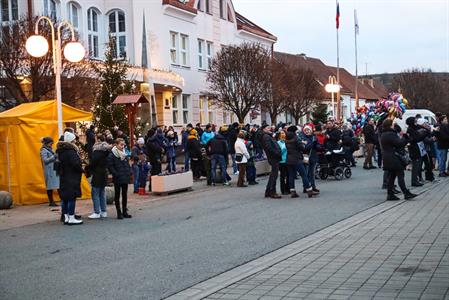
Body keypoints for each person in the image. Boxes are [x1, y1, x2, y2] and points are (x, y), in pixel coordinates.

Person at [381, 119, 417, 200]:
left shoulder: (384, 133)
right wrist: (405, 137)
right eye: (393, 124)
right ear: (390, 125)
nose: (394, 125)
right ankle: (406, 193)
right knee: (400, 174)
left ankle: (390, 194)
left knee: (392, 176)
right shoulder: (390, 134)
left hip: (388, 157)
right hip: (393, 157)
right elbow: (399, 143)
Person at [56, 131, 84, 225]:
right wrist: (82, 169)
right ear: (71, 141)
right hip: (72, 177)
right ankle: (71, 216)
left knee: (65, 198)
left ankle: (66, 215)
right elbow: (75, 164)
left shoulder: (61, 151)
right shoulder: (71, 152)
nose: (75, 142)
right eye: (74, 140)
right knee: (71, 197)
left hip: (64, 176)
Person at [285, 127, 317, 198]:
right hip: (297, 159)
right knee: (304, 174)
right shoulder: (296, 138)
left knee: (291, 175)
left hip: (289, 159)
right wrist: (303, 143)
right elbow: (302, 148)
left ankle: (292, 191)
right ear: (294, 131)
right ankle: (309, 190)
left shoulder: (286, 139)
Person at [87, 134, 111, 219]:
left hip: (97, 173)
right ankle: (104, 211)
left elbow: (93, 162)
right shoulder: (107, 151)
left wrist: (88, 167)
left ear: (98, 140)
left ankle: (97, 212)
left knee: (95, 193)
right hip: (104, 172)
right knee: (102, 192)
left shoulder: (97, 151)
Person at [108, 138, 132, 219]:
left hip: (125, 176)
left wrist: (129, 171)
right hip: (118, 177)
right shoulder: (112, 154)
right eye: (121, 144)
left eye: (123, 145)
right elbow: (110, 166)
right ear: (116, 145)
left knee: (124, 195)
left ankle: (125, 211)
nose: (123, 146)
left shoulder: (124, 153)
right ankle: (119, 212)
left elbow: (127, 164)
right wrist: (116, 174)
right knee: (117, 195)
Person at [260, 124, 282, 198]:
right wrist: (277, 153)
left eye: (269, 127)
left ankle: (268, 191)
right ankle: (272, 192)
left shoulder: (268, 135)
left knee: (273, 175)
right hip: (273, 157)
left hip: (274, 157)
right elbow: (269, 148)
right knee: (274, 175)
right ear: (263, 129)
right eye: (267, 128)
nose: (269, 128)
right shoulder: (266, 136)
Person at [406, 117, 426, 186]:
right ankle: (414, 181)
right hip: (414, 150)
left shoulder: (413, 129)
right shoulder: (410, 130)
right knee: (415, 166)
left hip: (417, 149)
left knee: (417, 166)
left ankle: (415, 180)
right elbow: (416, 138)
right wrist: (422, 134)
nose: (416, 123)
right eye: (414, 121)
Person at [40, 137, 59, 207]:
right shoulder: (43, 150)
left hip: (53, 170)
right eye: (51, 143)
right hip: (49, 170)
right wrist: (54, 156)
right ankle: (51, 201)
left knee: (57, 185)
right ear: (47, 142)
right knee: (50, 187)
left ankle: (59, 200)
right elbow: (45, 160)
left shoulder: (50, 149)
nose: (52, 144)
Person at [302, 125, 321, 194]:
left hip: (313, 156)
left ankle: (313, 186)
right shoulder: (303, 138)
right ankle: (306, 187)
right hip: (306, 156)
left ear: (311, 130)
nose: (307, 131)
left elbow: (318, 146)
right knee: (306, 172)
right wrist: (312, 144)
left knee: (312, 172)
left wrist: (316, 145)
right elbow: (305, 148)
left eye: (308, 130)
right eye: (305, 130)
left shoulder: (314, 137)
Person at [277, 131, 289, 195]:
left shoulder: (288, 141)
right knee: (283, 176)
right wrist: (283, 149)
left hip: (289, 160)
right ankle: (283, 190)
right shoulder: (278, 143)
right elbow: (278, 152)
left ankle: (288, 188)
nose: (283, 135)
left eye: (284, 133)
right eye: (281, 133)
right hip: (282, 161)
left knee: (289, 175)